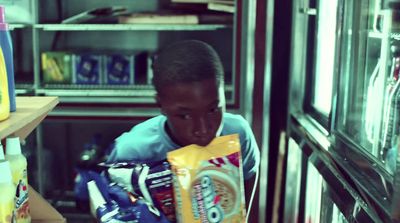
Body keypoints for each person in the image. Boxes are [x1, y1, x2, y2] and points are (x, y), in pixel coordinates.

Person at [107, 39, 260, 210]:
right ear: (161, 105)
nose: (202, 130)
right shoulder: (131, 152)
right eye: (185, 115)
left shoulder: (238, 134)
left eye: (212, 110)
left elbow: (246, 189)